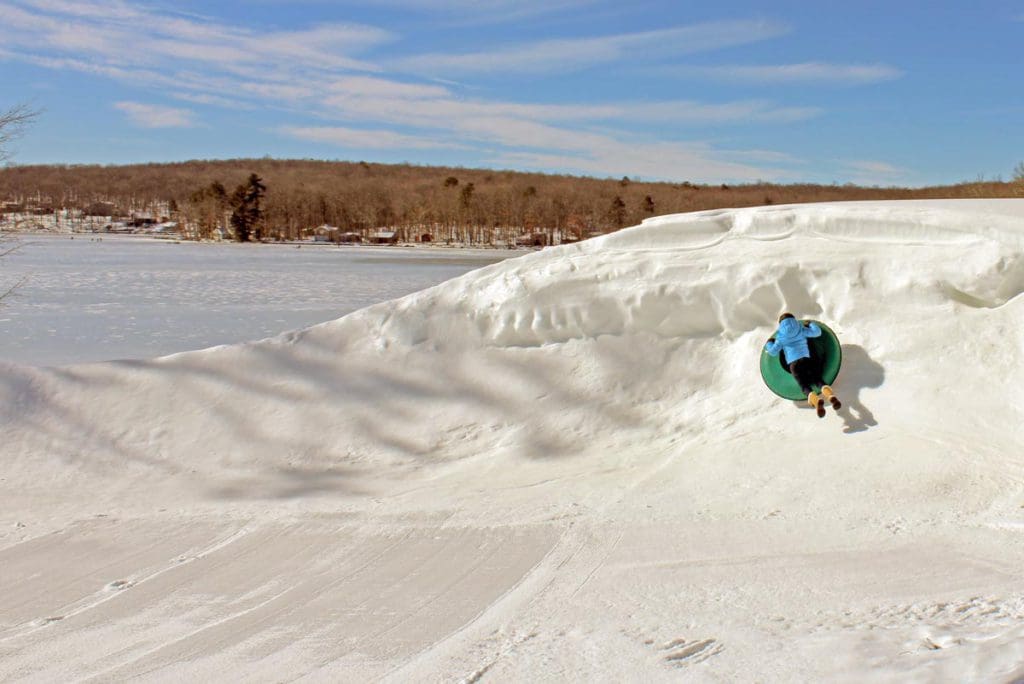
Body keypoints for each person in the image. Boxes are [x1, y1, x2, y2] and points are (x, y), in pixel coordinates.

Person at [765, 313, 841, 417]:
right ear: (793, 319)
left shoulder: (780, 336)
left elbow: (773, 352)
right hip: (807, 359)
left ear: (780, 324)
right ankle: (830, 396)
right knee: (817, 379)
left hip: (793, 364)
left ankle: (816, 401)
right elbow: (817, 332)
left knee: (804, 385)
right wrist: (810, 324)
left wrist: (769, 343)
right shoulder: (800, 328)